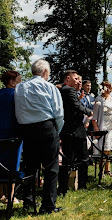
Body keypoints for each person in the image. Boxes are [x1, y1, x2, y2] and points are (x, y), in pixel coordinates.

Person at [15, 59, 64, 214]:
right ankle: (48, 205)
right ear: (45, 72)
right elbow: (58, 112)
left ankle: (28, 201)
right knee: (50, 167)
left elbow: (19, 110)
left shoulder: (20, 88)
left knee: (29, 166)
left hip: (27, 129)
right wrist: (57, 130)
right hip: (46, 127)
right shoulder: (49, 87)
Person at [58, 70, 93, 194]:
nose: (78, 81)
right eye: (76, 78)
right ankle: (82, 184)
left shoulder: (63, 90)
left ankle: (63, 187)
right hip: (76, 131)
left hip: (67, 130)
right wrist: (89, 111)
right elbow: (76, 106)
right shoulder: (69, 90)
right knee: (83, 158)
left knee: (67, 160)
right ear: (68, 78)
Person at [0, 70, 22, 204]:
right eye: (19, 81)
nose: (21, 83)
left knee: (0, 163)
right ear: (12, 82)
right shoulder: (17, 95)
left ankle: (0, 194)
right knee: (13, 163)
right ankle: (11, 197)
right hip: (14, 133)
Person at [92, 81, 112, 176]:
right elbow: (94, 118)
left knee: (108, 149)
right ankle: (101, 171)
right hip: (102, 127)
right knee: (103, 150)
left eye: (109, 87)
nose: (108, 89)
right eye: (105, 87)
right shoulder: (98, 99)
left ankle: (107, 170)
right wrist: (97, 130)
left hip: (111, 126)